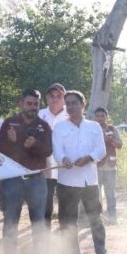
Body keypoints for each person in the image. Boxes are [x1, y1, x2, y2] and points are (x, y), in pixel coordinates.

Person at [53, 90, 112, 254]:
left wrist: (88, 158)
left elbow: (101, 151)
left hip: (90, 181)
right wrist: (63, 160)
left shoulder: (94, 126)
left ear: (83, 105)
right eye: (67, 103)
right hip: (67, 181)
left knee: (96, 219)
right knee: (68, 221)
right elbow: (57, 150)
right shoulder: (59, 127)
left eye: (74, 103)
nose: (70, 106)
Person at [0, 89, 52, 254]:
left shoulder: (44, 126)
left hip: (37, 178)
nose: (33, 107)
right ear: (21, 103)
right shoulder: (9, 123)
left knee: (39, 222)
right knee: (11, 221)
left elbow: (48, 151)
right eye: (29, 103)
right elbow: (0, 151)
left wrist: (34, 144)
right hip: (13, 180)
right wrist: (14, 141)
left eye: (36, 104)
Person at [38, 82, 69, 227]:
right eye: (52, 96)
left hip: (67, 165)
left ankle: (65, 233)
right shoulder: (39, 115)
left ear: (64, 98)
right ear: (47, 98)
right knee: (46, 199)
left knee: (66, 200)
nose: (55, 99)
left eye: (59, 96)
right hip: (46, 165)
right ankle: (45, 234)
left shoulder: (71, 115)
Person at [93, 106, 123, 225]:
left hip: (110, 166)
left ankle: (112, 219)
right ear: (95, 117)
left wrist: (110, 141)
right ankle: (97, 219)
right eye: (98, 115)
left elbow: (120, 145)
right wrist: (102, 140)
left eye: (103, 115)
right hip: (96, 167)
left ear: (106, 117)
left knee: (111, 195)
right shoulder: (92, 129)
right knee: (95, 195)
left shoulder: (112, 129)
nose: (100, 118)